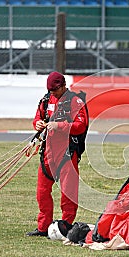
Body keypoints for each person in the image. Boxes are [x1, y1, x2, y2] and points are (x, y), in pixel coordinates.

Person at [26, 71, 88, 237]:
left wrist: (60, 126)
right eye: (50, 90)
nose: (52, 93)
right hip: (48, 153)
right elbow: (37, 118)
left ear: (63, 86)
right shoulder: (46, 100)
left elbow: (81, 125)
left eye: (55, 90)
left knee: (68, 192)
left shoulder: (75, 101)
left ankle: (66, 225)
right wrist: (38, 124)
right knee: (42, 191)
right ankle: (43, 227)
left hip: (67, 152)